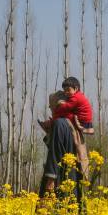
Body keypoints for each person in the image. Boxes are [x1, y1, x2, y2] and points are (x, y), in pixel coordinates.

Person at [38, 77, 92, 206]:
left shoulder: (59, 124)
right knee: (74, 214)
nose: (50, 109)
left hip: (60, 179)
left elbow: (55, 152)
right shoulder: (71, 123)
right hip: (73, 178)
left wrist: (50, 180)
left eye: (51, 106)